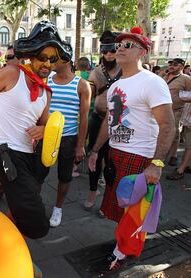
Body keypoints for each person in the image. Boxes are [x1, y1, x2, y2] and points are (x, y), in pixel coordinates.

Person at [0, 21, 73, 239]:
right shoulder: (12, 74)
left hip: (31, 156)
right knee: (37, 221)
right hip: (6, 152)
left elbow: (44, 124)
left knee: (23, 207)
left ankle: (0, 245)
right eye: (42, 57)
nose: (47, 64)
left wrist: (43, 130)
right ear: (31, 55)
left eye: (52, 59)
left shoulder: (46, 92)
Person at [87, 27, 175, 272]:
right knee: (119, 209)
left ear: (143, 53)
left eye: (128, 45)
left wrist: (156, 164)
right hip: (116, 154)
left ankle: (122, 253)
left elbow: (168, 125)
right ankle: (122, 244)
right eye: (119, 45)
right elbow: (109, 120)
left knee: (134, 212)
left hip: (141, 157)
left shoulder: (152, 82)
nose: (120, 48)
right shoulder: (116, 86)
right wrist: (95, 150)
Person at [46, 47, 91, 228]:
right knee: (38, 174)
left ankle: (58, 208)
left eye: (54, 58)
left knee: (64, 176)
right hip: (46, 136)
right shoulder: (46, 79)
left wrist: (80, 146)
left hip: (68, 138)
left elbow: (84, 118)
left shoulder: (82, 85)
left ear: (66, 59)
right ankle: (32, 207)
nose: (50, 62)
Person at [84, 31, 122, 212]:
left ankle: (108, 195)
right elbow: (88, 92)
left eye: (112, 50)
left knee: (111, 160)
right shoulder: (97, 71)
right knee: (94, 156)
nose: (109, 55)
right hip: (98, 120)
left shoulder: (126, 70)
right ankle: (92, 191)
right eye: (105, 51)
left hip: (119, 123)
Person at [0, 45, 20, 208]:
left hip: (21, 137)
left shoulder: (30, 79)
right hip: (1, 134)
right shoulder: (0, 76)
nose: (9, 60)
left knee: (17, 175)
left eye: (12, 56)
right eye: (7, 57)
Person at [163, 58, 191, 167]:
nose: (171, 66)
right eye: (170, 64)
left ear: (181, 67)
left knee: (174, 134)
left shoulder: (186, 79)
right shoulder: (164, 77)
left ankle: (173, 155)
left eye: (175, 65)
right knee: (161, 133)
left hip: (176, 111)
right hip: (161, 111)